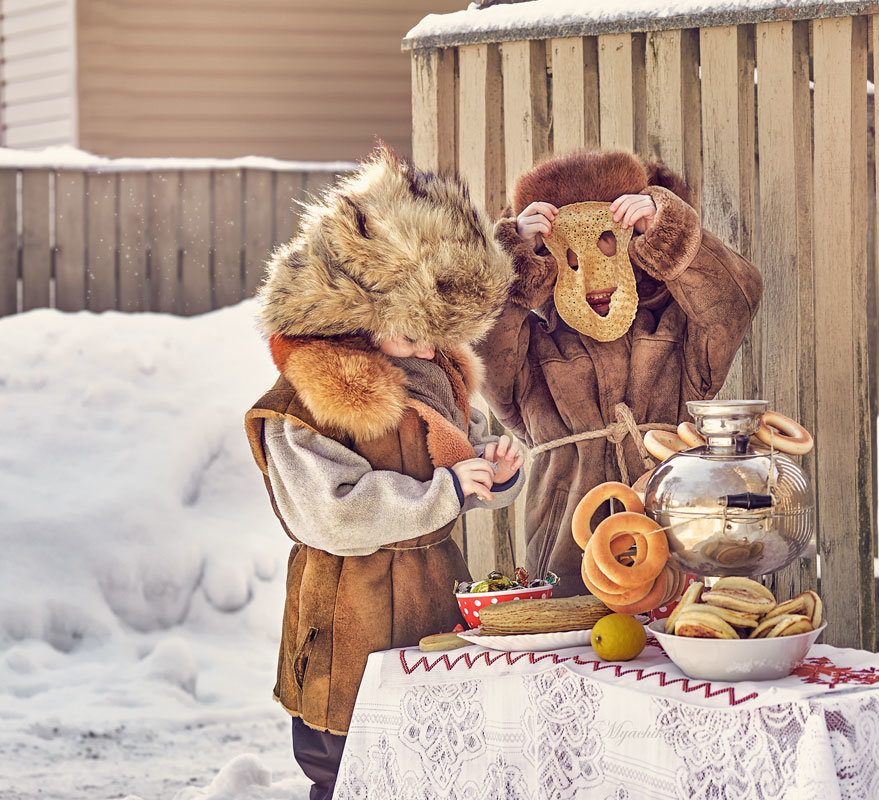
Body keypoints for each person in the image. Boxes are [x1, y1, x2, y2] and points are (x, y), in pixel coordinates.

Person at [243, 146, 520, 800]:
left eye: (441, 333)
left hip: (429, 600)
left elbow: (460, 456)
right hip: (348, 613)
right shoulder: (307, 403)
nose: (431, 349)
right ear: (361, 318)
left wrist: (490, 473)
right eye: (415, 331)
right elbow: (335, 514)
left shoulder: (432, 373)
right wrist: (446, 492)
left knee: (429, 757)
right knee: (346, 763)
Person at [477, 149, 763, 598]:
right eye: (568, 255)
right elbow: (483, 348)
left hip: (671, 555)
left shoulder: (676, 329)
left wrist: (668, 234)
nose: (591, 270)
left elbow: (735, 300)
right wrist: (510, 258)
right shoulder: (531, 346)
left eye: (607, 246)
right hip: (564, 563)